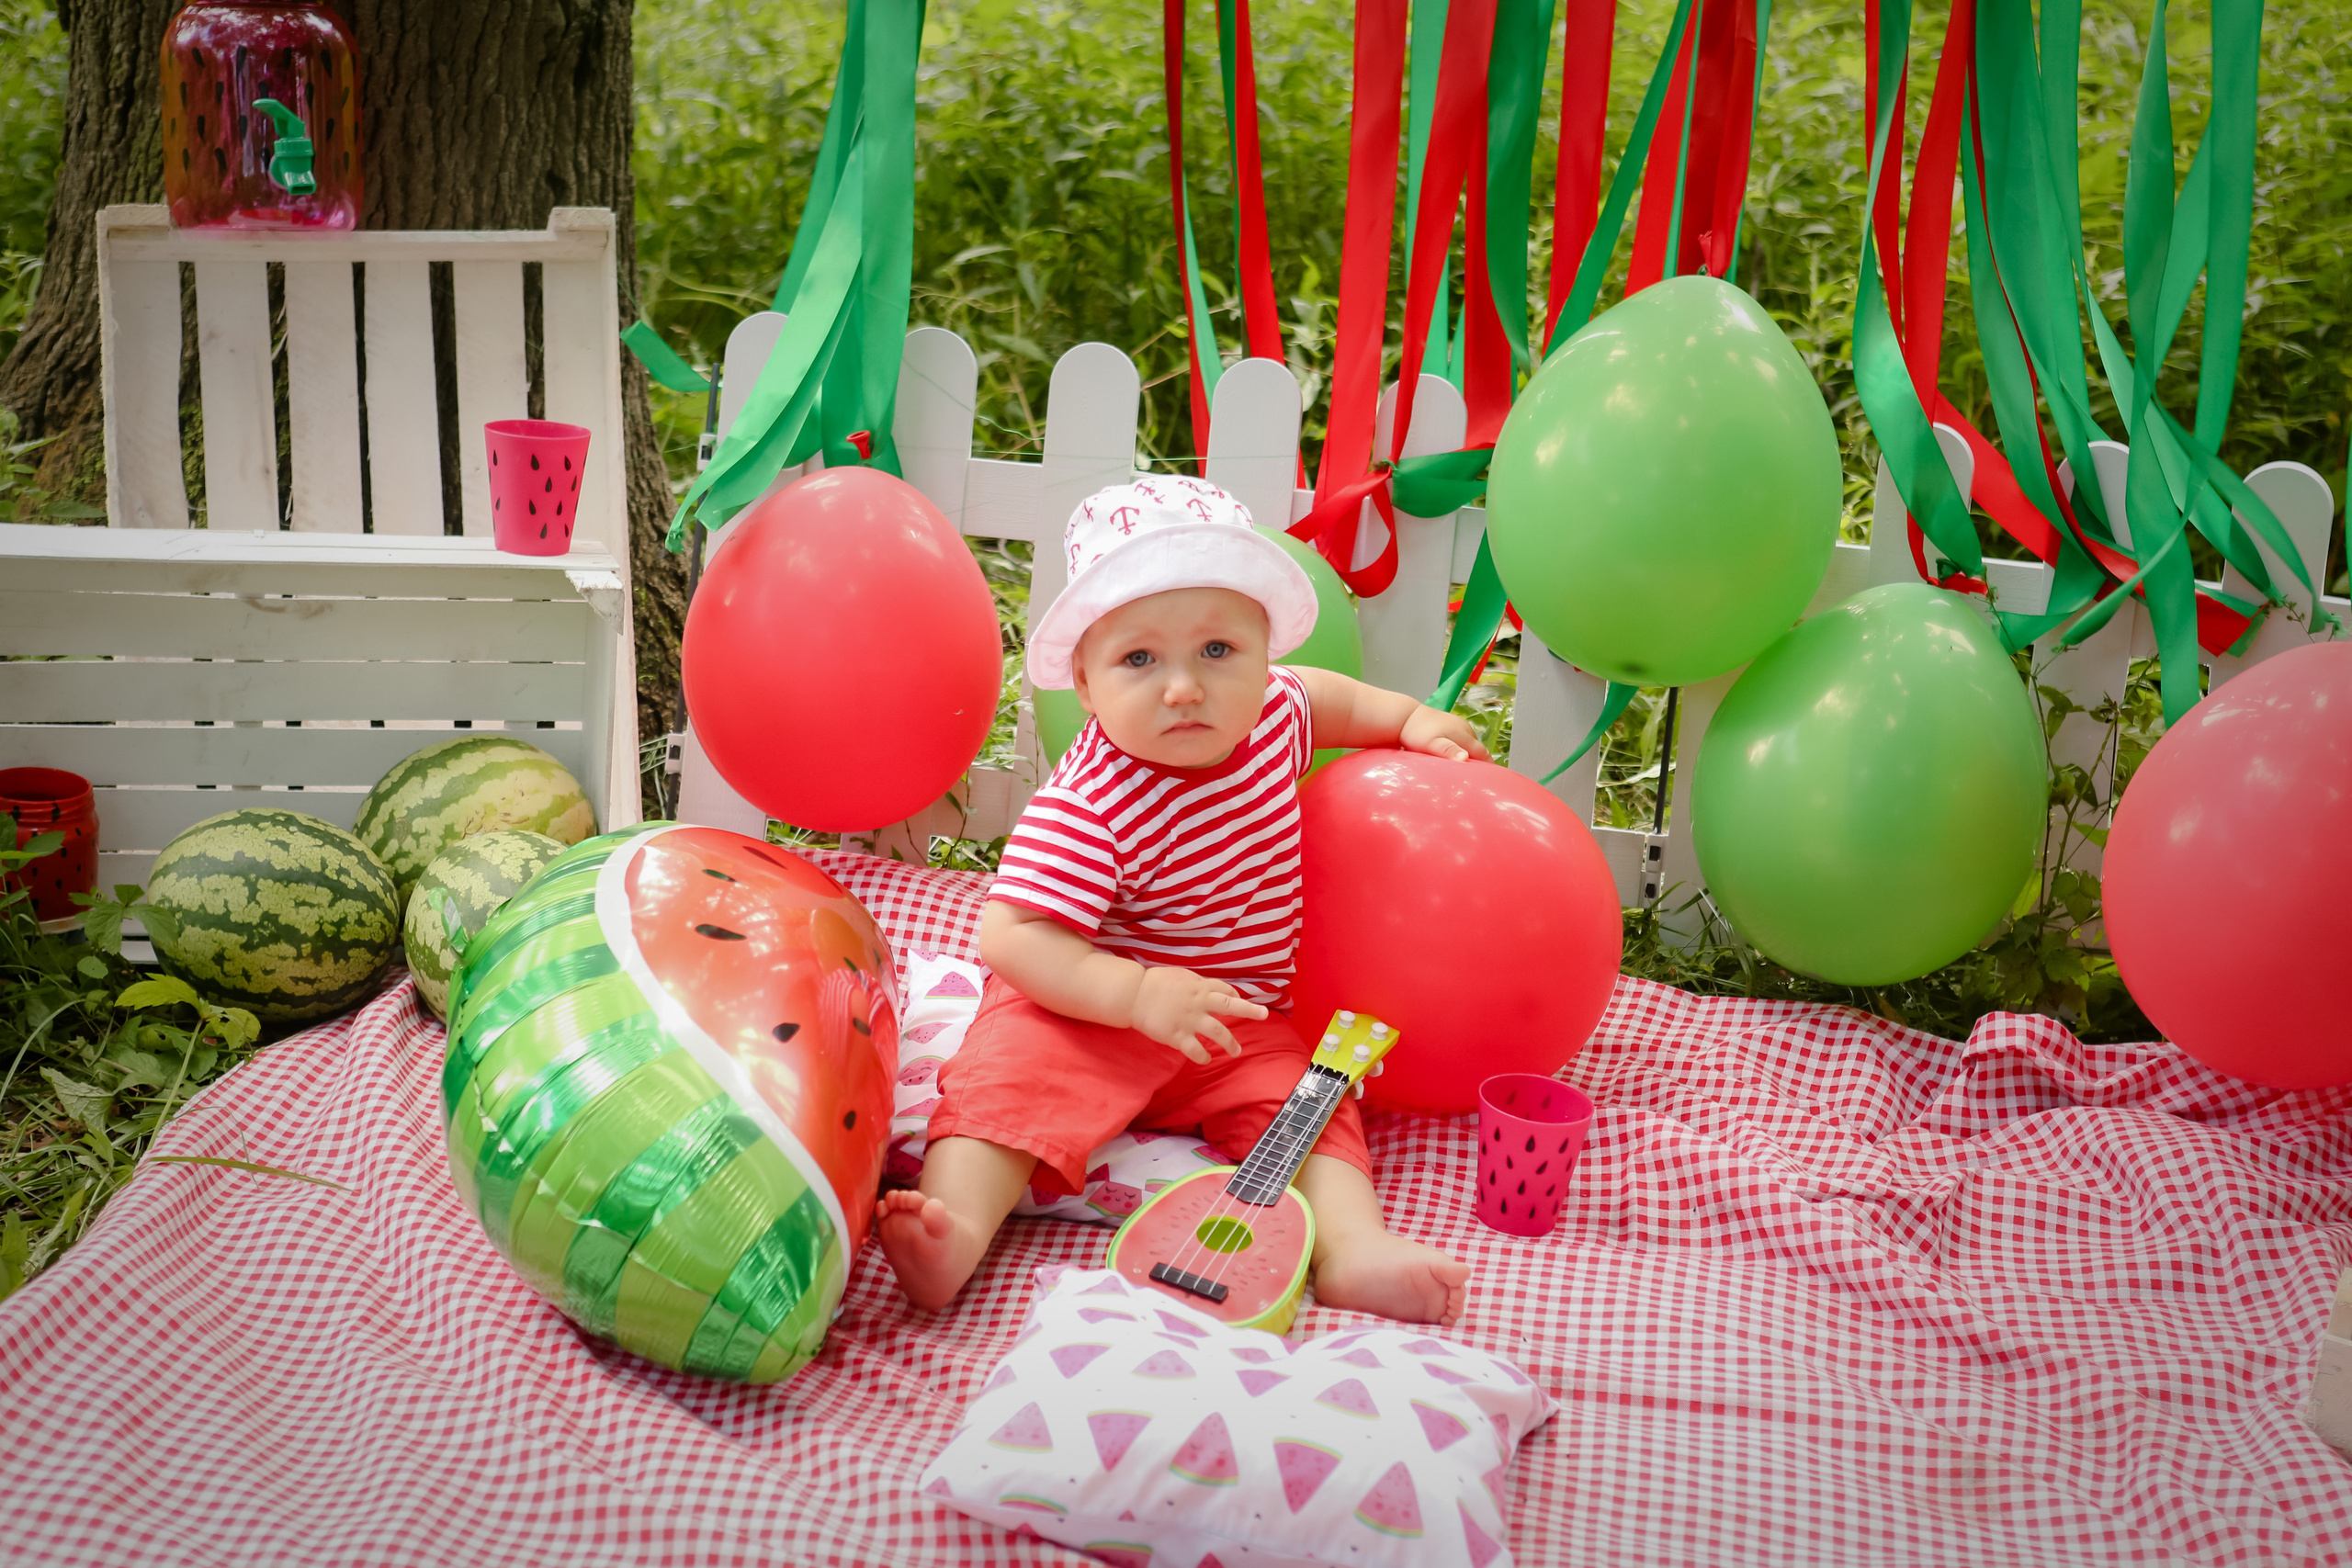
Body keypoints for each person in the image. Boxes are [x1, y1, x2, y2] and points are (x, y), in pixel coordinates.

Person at [878, 475, 1482, 1325]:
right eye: (1139, 660)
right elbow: (1012, 934)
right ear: (1084, 686)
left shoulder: (1275, 713)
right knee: (1010, 1083)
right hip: (1085, 1009)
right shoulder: (1092, 802)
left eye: (1217, 651)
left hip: (1231, 1016)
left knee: (1311, 1099)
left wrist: (1410, 719)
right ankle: (955, 1227)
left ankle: (1352, 1247)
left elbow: (1336, 699)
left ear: (1263, 656)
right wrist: (1130, 993)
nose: (1184, 688)